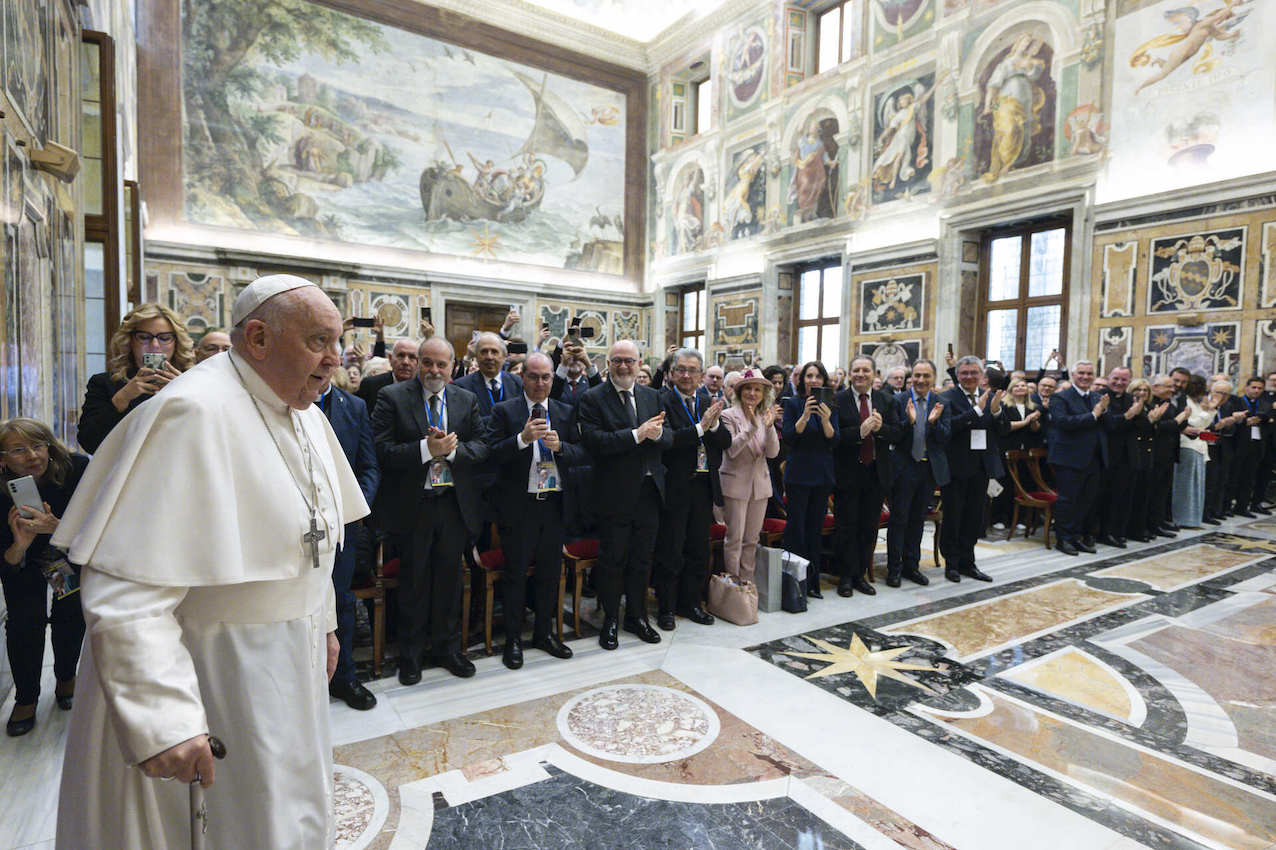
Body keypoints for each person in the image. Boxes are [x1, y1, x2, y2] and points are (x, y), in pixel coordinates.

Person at [52, 275, 369, 848]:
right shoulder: (191, 412)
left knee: (287, 809)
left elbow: (315, 541)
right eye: (319, 341)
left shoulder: (308, 415)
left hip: (288, 657)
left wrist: (322, 625)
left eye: (336, 342)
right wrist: (164, 717)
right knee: (236, 820)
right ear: (258, 338)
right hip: (213, 666)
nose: (334, 359)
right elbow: (127, 589)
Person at [371, 337, 487, 683]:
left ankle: (447, 649)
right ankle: (410, 654)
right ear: (418, 363)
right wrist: (426, 448)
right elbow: (381, 450)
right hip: (413, 507)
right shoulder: (392, 397)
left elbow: (481, 447)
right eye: (428, 363)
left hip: (453, 505)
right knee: (414, 583)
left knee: (450, 583)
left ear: (453, 367)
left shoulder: (466, 400)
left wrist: (451, 453)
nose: (434, 371)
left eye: (441, 364)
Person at [483, 353, 585, 669]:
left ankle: (545, 633)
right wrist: (521, 440)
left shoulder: (566, 412)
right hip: (519, 506)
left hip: (553, 504)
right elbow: (490, 455)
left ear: (553, 379)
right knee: (515, 576)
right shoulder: (505, 411)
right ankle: (513, 639)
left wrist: (562, 448)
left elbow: (583, 452)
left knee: (550, 574)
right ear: (523, 377)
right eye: (534, 377)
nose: (540, 384)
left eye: (546, 378)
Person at [577, 340, 672, 650]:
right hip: (614, 493)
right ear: (608, 363)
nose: (623, 366)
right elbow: (594, 442)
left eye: (629, 361)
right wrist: (637, 435)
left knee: (642, 559)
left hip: (649, 492)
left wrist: (658, 435)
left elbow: (667, 436)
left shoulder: (652, 395)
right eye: (617, 360)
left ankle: (637, 616)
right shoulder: (593, 398)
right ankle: (610, 620)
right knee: (613, 560)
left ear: (638, 362)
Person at [1, 419, 89, 737]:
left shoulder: (75, 469)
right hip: (20, 559)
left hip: (60, 553)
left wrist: (56, 527)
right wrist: (19, 545)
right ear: (2, 459)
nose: (33, 456)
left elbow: (97, 528)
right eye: (19, 450)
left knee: (69, 611)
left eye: (38, 446)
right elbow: (5, 563)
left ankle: (66, 676)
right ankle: (26, 697)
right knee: (25, 620)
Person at [316, 372, 380, 710]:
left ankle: (343, 676)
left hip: (343, 526)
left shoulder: (352, 406)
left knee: (340, 602)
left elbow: (368, 466)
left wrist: (354, 507)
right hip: (297, 526)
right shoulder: (281, 399)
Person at [655, 348, 730, 630]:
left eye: (692, 370)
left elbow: (725, 441)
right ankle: (666, 608)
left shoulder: (706, 400)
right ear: (672, 373)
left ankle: (691, 602)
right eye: (681, 370)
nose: (686, 375)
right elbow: (670, 440)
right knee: (671, 550)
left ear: (701, 375)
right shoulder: (661, 400)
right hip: (674, 486)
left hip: (703, 485)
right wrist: (701, 427)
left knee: (698, 549)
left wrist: (712, 427)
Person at [77, 303, 194, 453]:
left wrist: (186, 392)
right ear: (129, 341)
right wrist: (122, 398)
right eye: (144, 337)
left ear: (176, 342)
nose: (155, 345)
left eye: (165, 338)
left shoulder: (193, 381)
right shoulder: (105, 383)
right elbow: (89, 443)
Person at [832, 356, 897, 597]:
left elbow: (897, 433)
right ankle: (845, 577)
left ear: (874, 374)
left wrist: (881, 429)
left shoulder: (885, 400)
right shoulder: (837, 400)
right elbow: (833, 436)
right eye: (856, 370)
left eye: (865, 370)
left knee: (869, 527)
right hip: (847, 472)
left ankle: (860, 575)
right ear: (850, 374)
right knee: (846, 526)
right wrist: (858, 432)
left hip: (876, 473)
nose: (860, 374)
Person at [940, 356, 1003, 582]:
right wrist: (976, 410)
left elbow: (1001, 430)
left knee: (974, 517)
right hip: (956, 467)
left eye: (974, 373)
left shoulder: (990, 397)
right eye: (964, 373)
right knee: (954, 516)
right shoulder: (946, 397)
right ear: (957, 375)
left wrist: (996, 412)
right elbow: (949, 427)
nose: (969, 377)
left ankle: (969, 562)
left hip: (981, 467)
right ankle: (952, 563)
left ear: (982, 376)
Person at [887, 360, 948, 587]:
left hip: (927, 468)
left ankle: (911, 566)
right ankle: (894, 568)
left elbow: (945, 438)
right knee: (899, 519)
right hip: (904, 468)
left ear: (933, 378)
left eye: (926, 376)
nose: (921, 380)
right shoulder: (899, 400)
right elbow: (893, 436)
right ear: (911, 378)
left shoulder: (941, 402)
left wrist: (932, 423)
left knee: (917, 520)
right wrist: (909, 422)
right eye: (917, 375)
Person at [781, 361, 839, 597]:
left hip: (822, 474)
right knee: (797, 529)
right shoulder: (794, 404)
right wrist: (805, 415)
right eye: (809, 376)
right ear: (802, 379)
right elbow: (789, 436)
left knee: (815, 529)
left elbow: (834, 441)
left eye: (817, 376)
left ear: (824, 381)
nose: (813, 380)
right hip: (798, 474)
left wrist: (825, 420)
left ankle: (813, 583)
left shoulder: (830, 406)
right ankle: (795, 583)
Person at [719, 370, 781, 583]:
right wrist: (752, 427)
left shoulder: (765, 417)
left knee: (751, 539)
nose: (752, 393)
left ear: (764, 395)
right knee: (734, 539)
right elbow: (732, 450)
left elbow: (773, 453)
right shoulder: (728, 416)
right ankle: (732, 585)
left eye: (757, 390)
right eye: (748, 388)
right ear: (740, 391)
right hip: (735, 484)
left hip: (759, 486)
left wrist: (769, 427)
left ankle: (747, 584)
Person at [1047, 361, 1109, 556]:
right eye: (1081, 373)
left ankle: (1076, 536)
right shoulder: (1060, 397)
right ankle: (1063, 539)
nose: (1085, 377)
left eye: (1089, 374)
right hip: (1069, 457)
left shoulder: (1097, 397)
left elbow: (1103, 424)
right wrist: (1093, 415)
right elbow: (1062, 422)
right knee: (1068, 500)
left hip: (1094, 457)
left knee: (1086, 500)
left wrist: (1103, 413)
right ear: (1073, 375)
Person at [1096, 367, 1136, 547]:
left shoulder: (1131, 399)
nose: (1119, 383)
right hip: (1104, 455)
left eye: (1124, 380)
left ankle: (1117, 531)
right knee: (1103, 496)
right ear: (1108, 378)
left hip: (1126, 455)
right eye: (1115, 378)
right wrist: (1128, 415)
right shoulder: (1099, 396)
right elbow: (1110, 424)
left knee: (1121, 496)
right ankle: (1101, 532)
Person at [1172, 374, 1213, 528]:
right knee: (1184, 484)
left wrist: (1207, 411)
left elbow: (1205, 425)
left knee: (1197, 482)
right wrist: (1203, 415)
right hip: (1186, 445)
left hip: (1199, 445)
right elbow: (1187, 424)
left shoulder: (1197, 403)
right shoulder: (1183, 400)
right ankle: (1182, 518)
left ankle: (1193, 518)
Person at [1149, 375, 1188, 535]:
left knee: (1163, 491)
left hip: (1169, 453)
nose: (1173, 389)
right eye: (1169, 387)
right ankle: (1153, 523)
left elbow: (1181, 424)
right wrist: (1176, 421)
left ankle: (1161, 520)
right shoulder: (1151, 404)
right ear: (1156, 387)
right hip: (1156, 453)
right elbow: (1156, 427)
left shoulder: (1170, 404)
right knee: (1154, 491)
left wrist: (1182, 415)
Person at [1227, 376, 1271, 517]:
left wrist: (1261, 419)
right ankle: (1226, 506)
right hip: (1239, 444)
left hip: (1257, 445)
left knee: (1249, 477)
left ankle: (1242, 506)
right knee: (1234, 476)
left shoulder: (1265, 404)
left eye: (1260, 388)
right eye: (1254, 387)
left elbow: (1267, 417)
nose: (1256, 390)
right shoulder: (1236, 402)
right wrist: (1245, 420)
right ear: (1246, 387)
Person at [1204, 380, 1244, 524]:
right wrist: (1217, 426)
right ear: (1211, 391)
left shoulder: (1228, 406)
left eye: (1226, 394)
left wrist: (1230, 423)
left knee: (1221, 480)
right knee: (1209, 481)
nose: (1222, 396)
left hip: (1223, 447)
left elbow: (1231, 431)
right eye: (1218, 392)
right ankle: (1206, 512)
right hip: (1206, 446)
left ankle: (1216, 510)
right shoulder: (1204, 404)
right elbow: (1201, 428)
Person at [1124, 379, 1157, 542]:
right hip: (1133, 453)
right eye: (1138, 389)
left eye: (1145, 390)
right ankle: (1131, 529)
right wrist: (1150, 421)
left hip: (1147, 454)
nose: (1142, 393)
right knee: (1132, 494)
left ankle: (1140, 527)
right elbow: (1135, 428)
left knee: (1144, 494)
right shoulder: (1130, 407)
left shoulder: (1149, 407)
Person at [357, 338, 418, 412]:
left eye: (412, 357)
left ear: (419, 362)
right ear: (390, 358)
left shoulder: (423, 390)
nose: (405, 362)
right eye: (401, 356)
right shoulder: (370, 385)